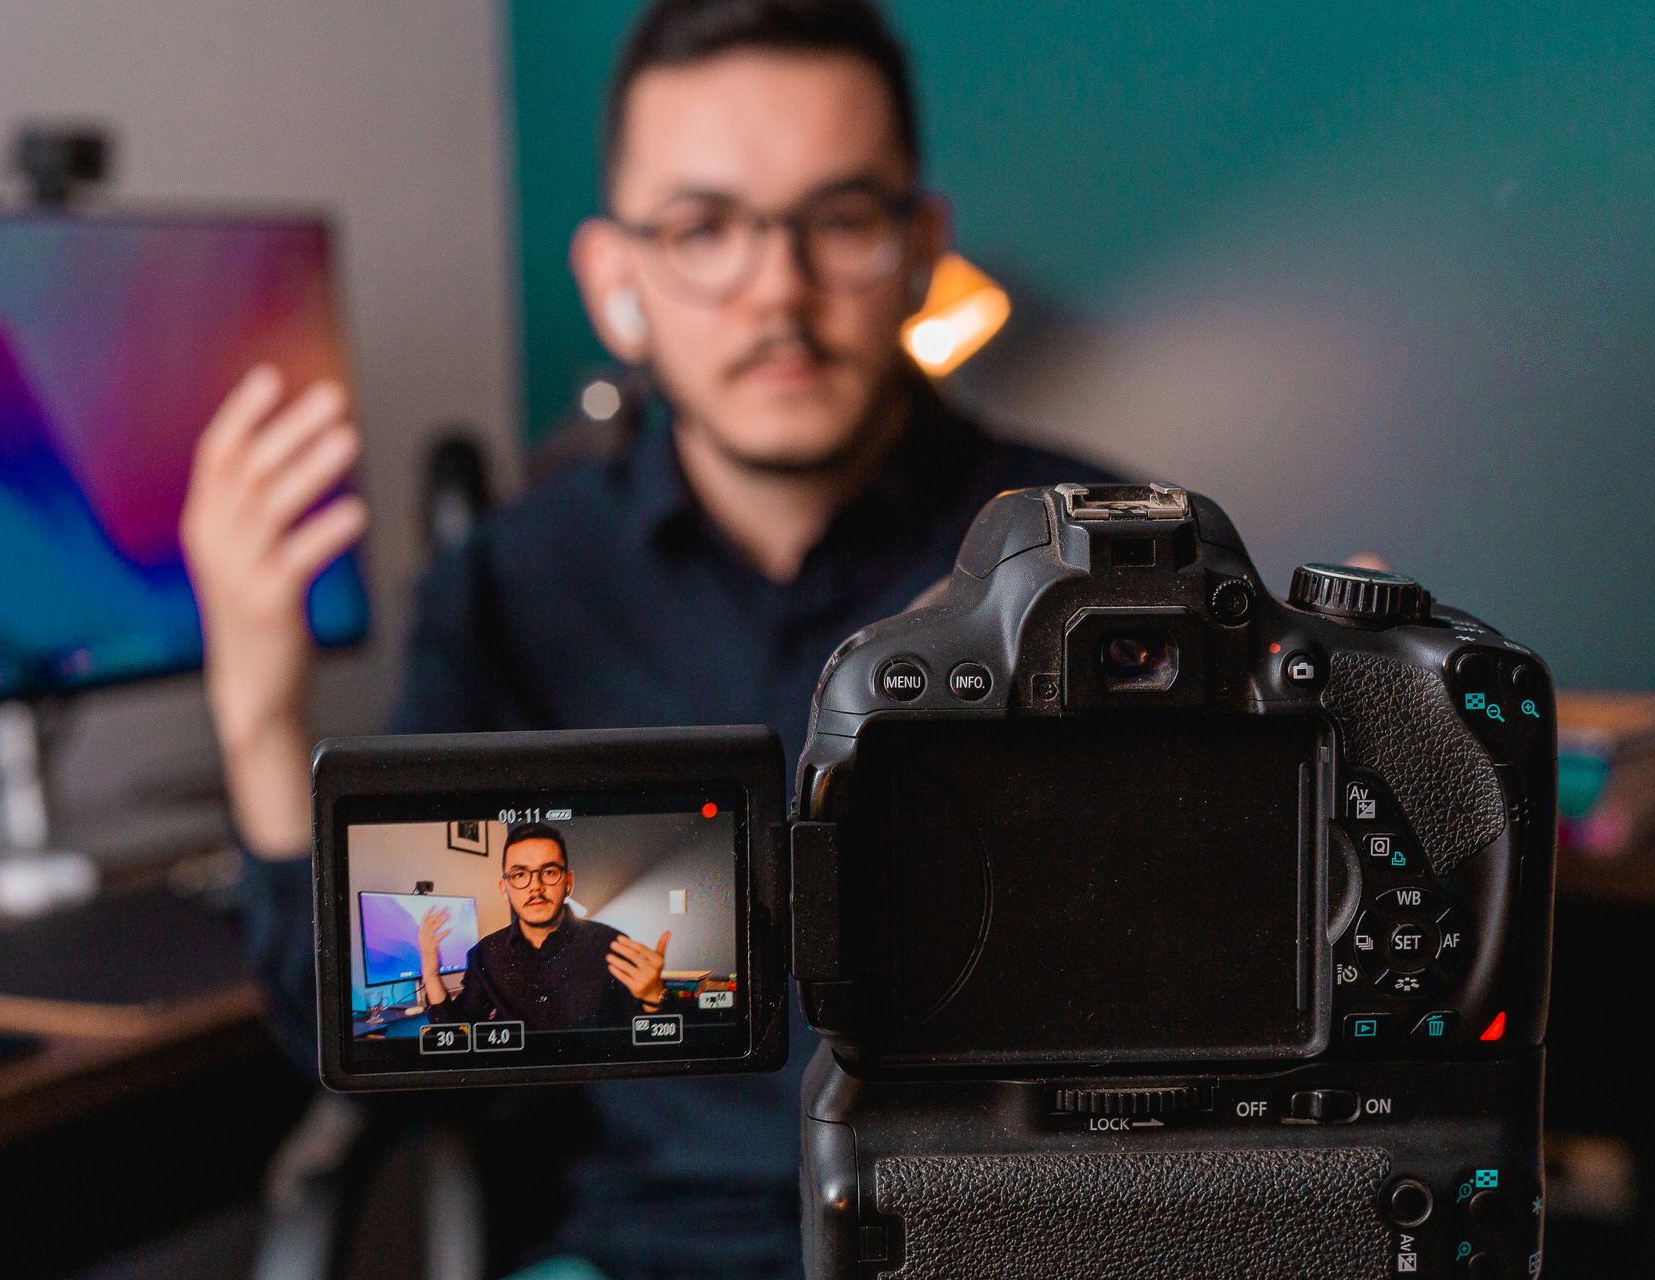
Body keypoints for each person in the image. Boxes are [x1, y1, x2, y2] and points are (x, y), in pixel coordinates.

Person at [179, 0, 1117, 1273]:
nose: (776, 290)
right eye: (704, 228)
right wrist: (256, 713)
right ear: (615, 283)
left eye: (841, 219)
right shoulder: (506, 584)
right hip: (644, 1249)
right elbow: (361, 1050)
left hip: (1018, 1240)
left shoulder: (1099, 559)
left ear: (919, 246)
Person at [419, 822, 670, 1029]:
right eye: (519, 875)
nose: (535, 886)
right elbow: (457, 1032)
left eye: (549, 872)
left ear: (568, 882)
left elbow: (649, 1039)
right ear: (504, 889)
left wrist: (654, 995)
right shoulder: (486, 954)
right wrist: (430, 973)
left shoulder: (612, 946)